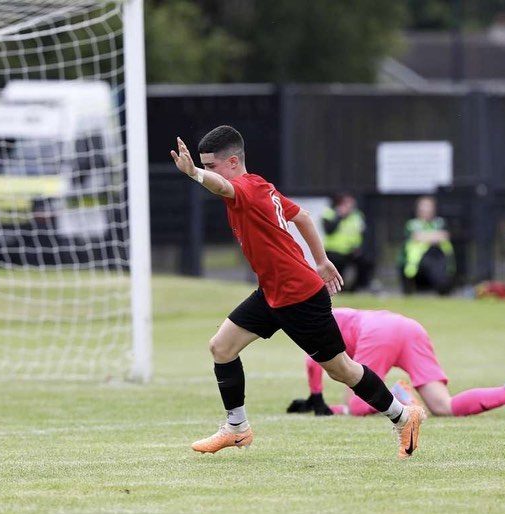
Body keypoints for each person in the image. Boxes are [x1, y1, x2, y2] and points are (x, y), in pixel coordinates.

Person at [170, 126, 425, 458]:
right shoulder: (260, 186)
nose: (208, 172)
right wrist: (321, 260)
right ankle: (237, 428)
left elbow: (221, 184)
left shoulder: (245, 188)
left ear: (233, 162)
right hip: (272, 293)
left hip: (300, 297)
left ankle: (404, 416)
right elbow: (302, 216)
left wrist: (194, 174)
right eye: (203, 165)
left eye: (211, 165)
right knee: (221, 347)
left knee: (341, 370)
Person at [287, 307, 505, 420]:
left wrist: (317, 399)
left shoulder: (311, 320)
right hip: (409, 327)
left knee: (355, 405)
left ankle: (396, 395)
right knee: (443, 406)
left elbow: (312, 361)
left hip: (378, 332)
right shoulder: (330, 311)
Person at [398, 196, 455, 295]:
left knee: (443, 281)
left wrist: (425, 236)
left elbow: (444, 236)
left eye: (429, 206)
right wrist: (434, 236)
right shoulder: (412, 223)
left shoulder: (440, 222)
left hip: (436, 258)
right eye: (424, 206)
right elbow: (416, 236)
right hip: (415, 263)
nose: (426, 209)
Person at [321, 193, 374, 292]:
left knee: (366, 262)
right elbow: (329, 230)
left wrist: (359, 248)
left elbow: (363, 234)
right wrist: (340, 216)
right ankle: (337, 289)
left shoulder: (357, 216)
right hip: (334, 251)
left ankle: (356, 288)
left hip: (351, 251)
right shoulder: (329, 214)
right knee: (338, 266)